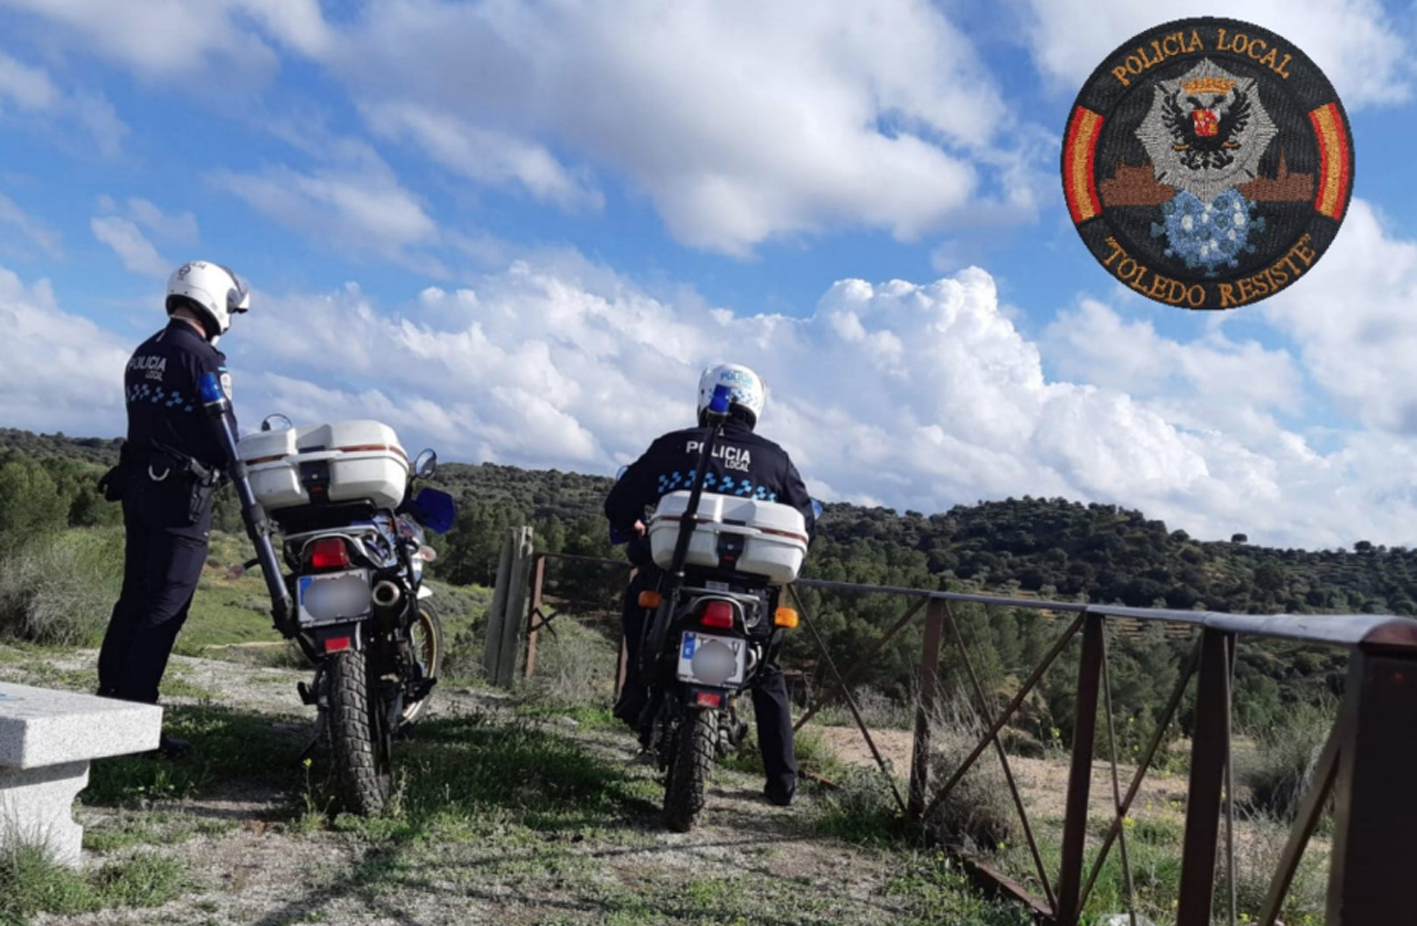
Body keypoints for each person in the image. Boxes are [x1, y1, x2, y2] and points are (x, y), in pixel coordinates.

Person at [604, 363, 815, 806]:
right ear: (755, 404)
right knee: (768, 672)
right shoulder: (775, 459)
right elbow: (806, 521)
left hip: (672, 575)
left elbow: (620, 503)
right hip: (750, 591)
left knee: (640, 617)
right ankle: (782, 783)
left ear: (705, 398)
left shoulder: (672, 446)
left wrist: (635, 528)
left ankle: (636, 696)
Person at [96, 261, 249, 756]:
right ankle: (137, 723)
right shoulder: (203, 359)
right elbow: (223, 431)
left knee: (133, 598)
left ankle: (106, 704)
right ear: (213, 300)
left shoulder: (143, 354)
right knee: (167, 605)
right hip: (181, 499)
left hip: (139, 490)